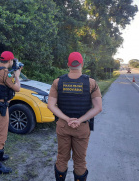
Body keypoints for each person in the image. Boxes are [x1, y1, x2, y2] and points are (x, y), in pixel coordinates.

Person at [48, 52, 102, 181]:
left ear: (68, 64)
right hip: (81, 127)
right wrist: (80, 120)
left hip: (63, 125)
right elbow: (98, 107)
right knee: (80, 161)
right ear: (82, 64)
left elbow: (51, 105)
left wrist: (67, 119)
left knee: (61, 158)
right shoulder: (91, 83)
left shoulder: (58, 82)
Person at [0, 51, 21, 174]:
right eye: (13, 61)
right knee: (0, 136)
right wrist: (17, 75)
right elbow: (17, 88)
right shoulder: (3, 72)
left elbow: (0, 84)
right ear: (10, 61)